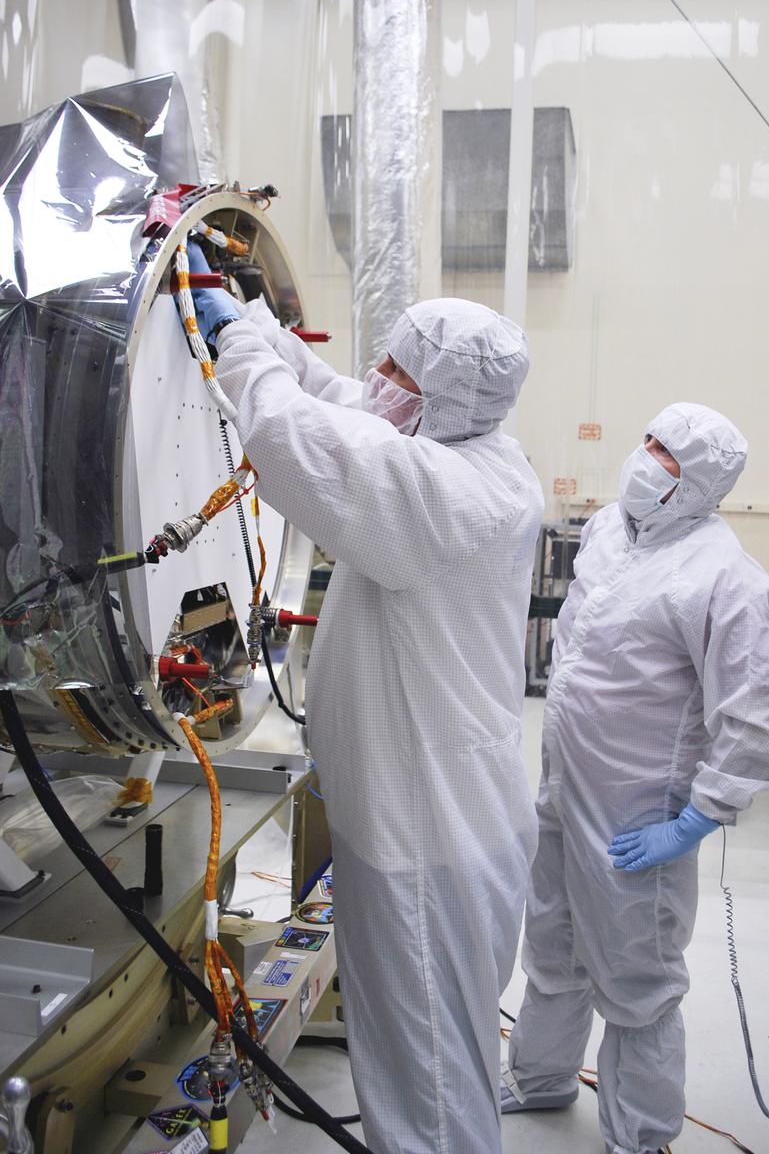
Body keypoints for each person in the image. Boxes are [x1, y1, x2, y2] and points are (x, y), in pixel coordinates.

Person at [189, 245, 544, 1154]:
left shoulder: (439, 492)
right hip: (446, 821)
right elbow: (341, 398)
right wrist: (245, 309)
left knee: (424, 1079)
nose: (375, 378)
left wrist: (232, 341)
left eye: (396, 368)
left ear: (438, 397)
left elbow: (296, 435)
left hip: (427, 837)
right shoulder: (466, 446)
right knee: (432, 1055)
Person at [501, 402, 769, 1154]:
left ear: (698, 481)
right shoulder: (604, 529)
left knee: (637, 982)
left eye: (666, 453)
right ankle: (540, 1079)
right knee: (553, 945)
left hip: (637, 814)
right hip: (563, 787)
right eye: (649, 441)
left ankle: (639, 1136)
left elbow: (751, 718)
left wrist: (695, 819)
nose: (646, 457)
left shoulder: (726, 577)